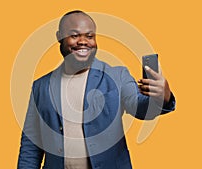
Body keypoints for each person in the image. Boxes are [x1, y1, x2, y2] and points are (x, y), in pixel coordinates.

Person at [17, 10, 176, 169]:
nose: (83, 41)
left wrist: (162, 97)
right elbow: (31, 144)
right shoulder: (41, 87)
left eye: (90, 36)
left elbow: (140, 107)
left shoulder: (117, 76)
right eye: (74, 35)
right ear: (59, 36)